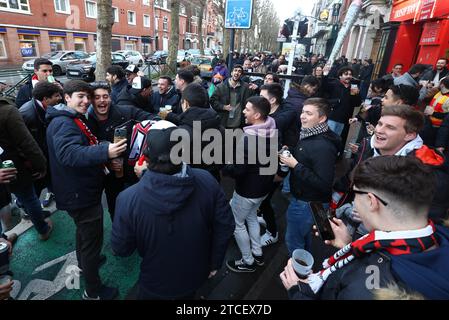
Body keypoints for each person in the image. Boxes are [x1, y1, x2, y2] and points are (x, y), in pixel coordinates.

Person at [281, 155, 449, 300]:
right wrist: (348, 245)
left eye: (354, 193)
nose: (353, 201)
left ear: (371, 201)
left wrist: (298, 292)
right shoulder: (440, 238)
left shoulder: (365, 290)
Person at [111, 120, 235, 299]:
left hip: (154, 281)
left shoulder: (128, 198)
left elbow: (122, 248)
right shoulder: (207, 180)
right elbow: (225, 226)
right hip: (196, 274)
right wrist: (214, 263)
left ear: (145, 157)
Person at [46, 80, 127, 300]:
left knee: (83, 232)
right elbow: (69, 154)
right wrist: (105, 153)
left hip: (79, 191)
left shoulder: (71, 118)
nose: (85, 101)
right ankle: (93, 291)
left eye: (87, 97)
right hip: (79, 194)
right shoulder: (64, 123)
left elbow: (81, 145)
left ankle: (83, 264)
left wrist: (100, 145)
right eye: (80, 96)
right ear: (67, 98)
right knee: (92, 241)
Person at [334, 105, 449, 224]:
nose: (379, 130)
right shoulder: (368, 145)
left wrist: (377, 217)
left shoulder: (426, 169)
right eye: (380, 124)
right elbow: (353, 175)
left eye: (390, 127)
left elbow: (430, 218)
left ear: (409, 135)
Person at [280, 98, 341, 255]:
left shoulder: (323, 146)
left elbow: (323, 183)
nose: (302, 116)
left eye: (308, 113)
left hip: (306, 203)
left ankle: (297, 275)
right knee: (304, 237)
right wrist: (293, 151)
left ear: (322, 118)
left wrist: (295, 165)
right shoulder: (312, 133)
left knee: (294, 241)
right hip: (307, 201)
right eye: (302, 112)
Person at [224, 96, 277, 272]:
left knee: (237, 223)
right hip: (263, 188)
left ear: (257, 114)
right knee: (252, 217)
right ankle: (257, 253)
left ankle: (248, 261)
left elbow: (238, 170)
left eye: (247, 109)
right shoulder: (271, 127)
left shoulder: (248, 138)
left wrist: (226, 166)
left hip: (247, 190)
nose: (244, 112)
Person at [87, 82, 153, 220]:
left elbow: (154, 121)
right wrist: (106, 163)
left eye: (105, 96)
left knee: (138, 209)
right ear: (91, 100)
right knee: (115, 209)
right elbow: (83, 152)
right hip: (108, 178)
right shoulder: (85, 121)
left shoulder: (127, 112)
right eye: (97, 97)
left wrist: (144, 151)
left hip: (132, 173)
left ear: (111, 98)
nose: (102, 100)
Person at [0, 97, 52, 241]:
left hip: (8, 167)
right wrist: (41, 164)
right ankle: (43, 229)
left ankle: (2, 239)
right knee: (29, 197)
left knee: (24, 197)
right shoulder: (7, 111)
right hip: (12, 166)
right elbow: (27, 143)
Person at [19, 81, 62, 208]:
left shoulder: (42, 107)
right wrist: (31, 162)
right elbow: (20, 141)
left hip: (44, 153)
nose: (60, 98)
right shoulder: (27, 114)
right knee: (36, 185)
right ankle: (26, 206)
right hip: (33, 160)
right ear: (46, 99)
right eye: (57, 96)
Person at [175, 83, 224, 181]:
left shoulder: (180, 133)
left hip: (190, 182)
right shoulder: (221, 128)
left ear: (186, 103)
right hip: (213, 179)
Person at [210, 64, 255, 129]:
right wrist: (223, 107)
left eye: (239, 71)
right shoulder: (221, 87)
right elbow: (212, 101)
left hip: (239, 123)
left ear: (241, 75)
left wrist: (256, 88)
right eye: (235, 70)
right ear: (231, 73)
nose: (237, 73)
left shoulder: (246, 87)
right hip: (224, 122)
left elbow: (253, 99)